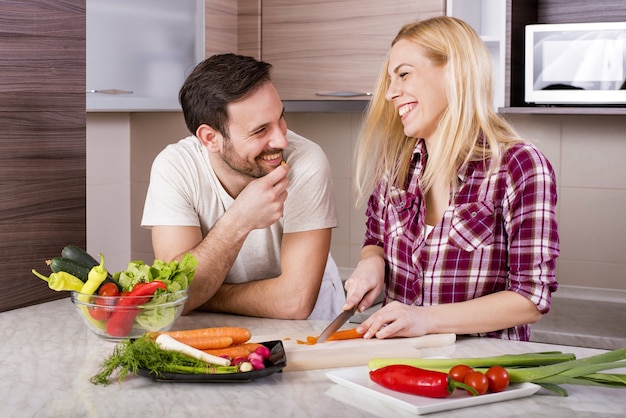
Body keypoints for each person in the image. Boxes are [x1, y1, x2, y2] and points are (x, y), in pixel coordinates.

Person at [343, 16, 559, 341]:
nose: (389, 93)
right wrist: (371, 264)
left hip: (480, 375)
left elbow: (531, 298)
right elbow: (375, 241)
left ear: (455, 72)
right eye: (390, 79)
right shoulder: (396, 167)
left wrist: (425, 320)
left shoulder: (519, 166)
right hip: (396, 365)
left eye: (403, 74)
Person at [141, 53, 345, 320]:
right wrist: (240, 220)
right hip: (219, 331)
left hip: (310, 331)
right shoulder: (175, 167)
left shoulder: (306, 161)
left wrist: (202, 295)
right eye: (261, 131)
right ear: (210, 138)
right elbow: (175, 296)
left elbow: (294, 302)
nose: (281, 140)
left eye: (280, 118)